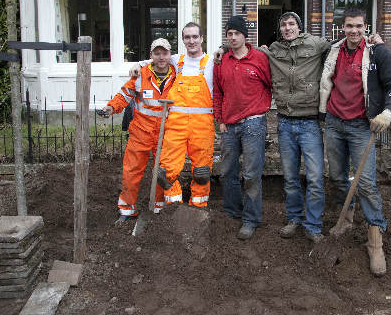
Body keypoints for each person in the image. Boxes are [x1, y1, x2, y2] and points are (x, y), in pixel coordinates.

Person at [217, 12, 330, 243]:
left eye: (292, 24)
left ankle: (312, 225)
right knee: (288, 178)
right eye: (284, 25)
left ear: (299, 26)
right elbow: (236, 53)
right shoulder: (271, 51)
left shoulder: (314, 45)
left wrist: (370, 42)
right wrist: (221, 47)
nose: (288, 28)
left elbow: (338, 47)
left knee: (315, 177)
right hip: (283, 121)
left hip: (306, 121)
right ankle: (292, 218)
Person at [319, 8, 391, 276]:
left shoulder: (378, 52)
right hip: (334, 122)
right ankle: (346, 219)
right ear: (341, 27)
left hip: (360, 127)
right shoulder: (333, 50)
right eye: (349, 26)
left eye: (358, 26)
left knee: (365, 183)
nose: (354, 31)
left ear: (366, 27)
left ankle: (375, 241)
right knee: (337, 177)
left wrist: (388, 111)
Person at [130, 23, 215, 207]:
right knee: (165, 172)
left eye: (195, 37)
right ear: (183, 40)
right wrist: (137, 64)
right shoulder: (177, 60)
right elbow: (154, 61)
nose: (191, 41)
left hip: (202, 126)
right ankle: (173, 209)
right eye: (187, 37)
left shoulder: (212, 62)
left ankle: (198, 210)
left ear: (201, 38)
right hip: (175, 125)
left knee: (201, 173)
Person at [101, 38, 176, 221]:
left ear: (169, 55)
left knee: (163, 171)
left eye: (164, 53)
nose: (161, 57)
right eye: (157, 53)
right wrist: (110, 108)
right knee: (132, 170)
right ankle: (127, 209)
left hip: (166, 132)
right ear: (151, 55)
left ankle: (159, 206)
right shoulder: (140, 75)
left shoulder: (177, 75)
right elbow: (124, 95)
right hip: (141, 131)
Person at [213, 15, 272, 240]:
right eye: (230, 34)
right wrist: (219, 119)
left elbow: (270, 85)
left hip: (253, 123)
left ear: (245, 36)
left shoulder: (259, 58)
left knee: (251, 173)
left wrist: (260, 106)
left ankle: (251, 219)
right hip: (228, 124)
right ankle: (232, 211)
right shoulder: (222, 60)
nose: (233, 37)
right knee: (228, 171)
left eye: (237, 33)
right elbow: (218, 92)